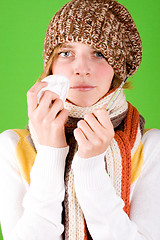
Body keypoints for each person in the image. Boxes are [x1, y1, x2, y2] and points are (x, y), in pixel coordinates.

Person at [0, 0, 160, 239]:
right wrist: (50, 153)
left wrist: (91, 167)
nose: (81, 68)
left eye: (99, 53)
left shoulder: (149, 146)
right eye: (66, 53)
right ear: (51, 66)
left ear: (118, 68)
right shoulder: (13, 146)